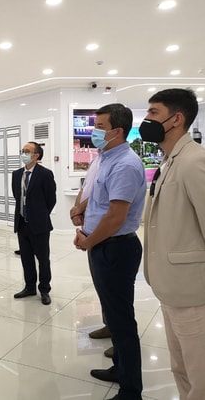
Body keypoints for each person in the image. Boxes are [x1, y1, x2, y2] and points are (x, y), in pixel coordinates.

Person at [141, 88, 205, 400]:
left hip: (193, 290)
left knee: (203, 379)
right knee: (181, 369)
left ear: (176, 119)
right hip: (172, 287)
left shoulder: (196, 161)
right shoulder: (171, 160)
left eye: (153, 112)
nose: (146, 119)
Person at [73, 103, 145, 400]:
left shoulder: (125, 164)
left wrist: (88, 241)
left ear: (118, 131)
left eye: (100, 127)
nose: (94, 132)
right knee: (114, 317)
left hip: (116, 248)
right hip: (103, 245)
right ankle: (119, 369)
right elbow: (98, 198)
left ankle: (131, 390)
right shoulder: (105, 159)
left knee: (122, 321)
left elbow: (116, 217)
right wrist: (81, 214)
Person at [71, 152, 114, 357]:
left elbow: (100, 195)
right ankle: (109, 325)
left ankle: (121, 340)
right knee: (102, 288)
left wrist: (80, 208)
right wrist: (77, 209)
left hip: (110, 238)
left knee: (115, 294)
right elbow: (86, 187)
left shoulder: (120, 162)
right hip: (93, 234)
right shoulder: (97, 160)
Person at [12, 141, 56, 305]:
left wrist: (40, 214)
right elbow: (17, 196)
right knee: (26, 258)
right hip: (22, 223)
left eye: (27, 151)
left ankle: (44, 289)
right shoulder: (17, 174)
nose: (23, 153)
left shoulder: (45, 174)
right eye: (22, 150)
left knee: (43, 259)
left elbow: (51, 199)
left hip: (39, 224)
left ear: (36, 155)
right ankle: (29, 287)